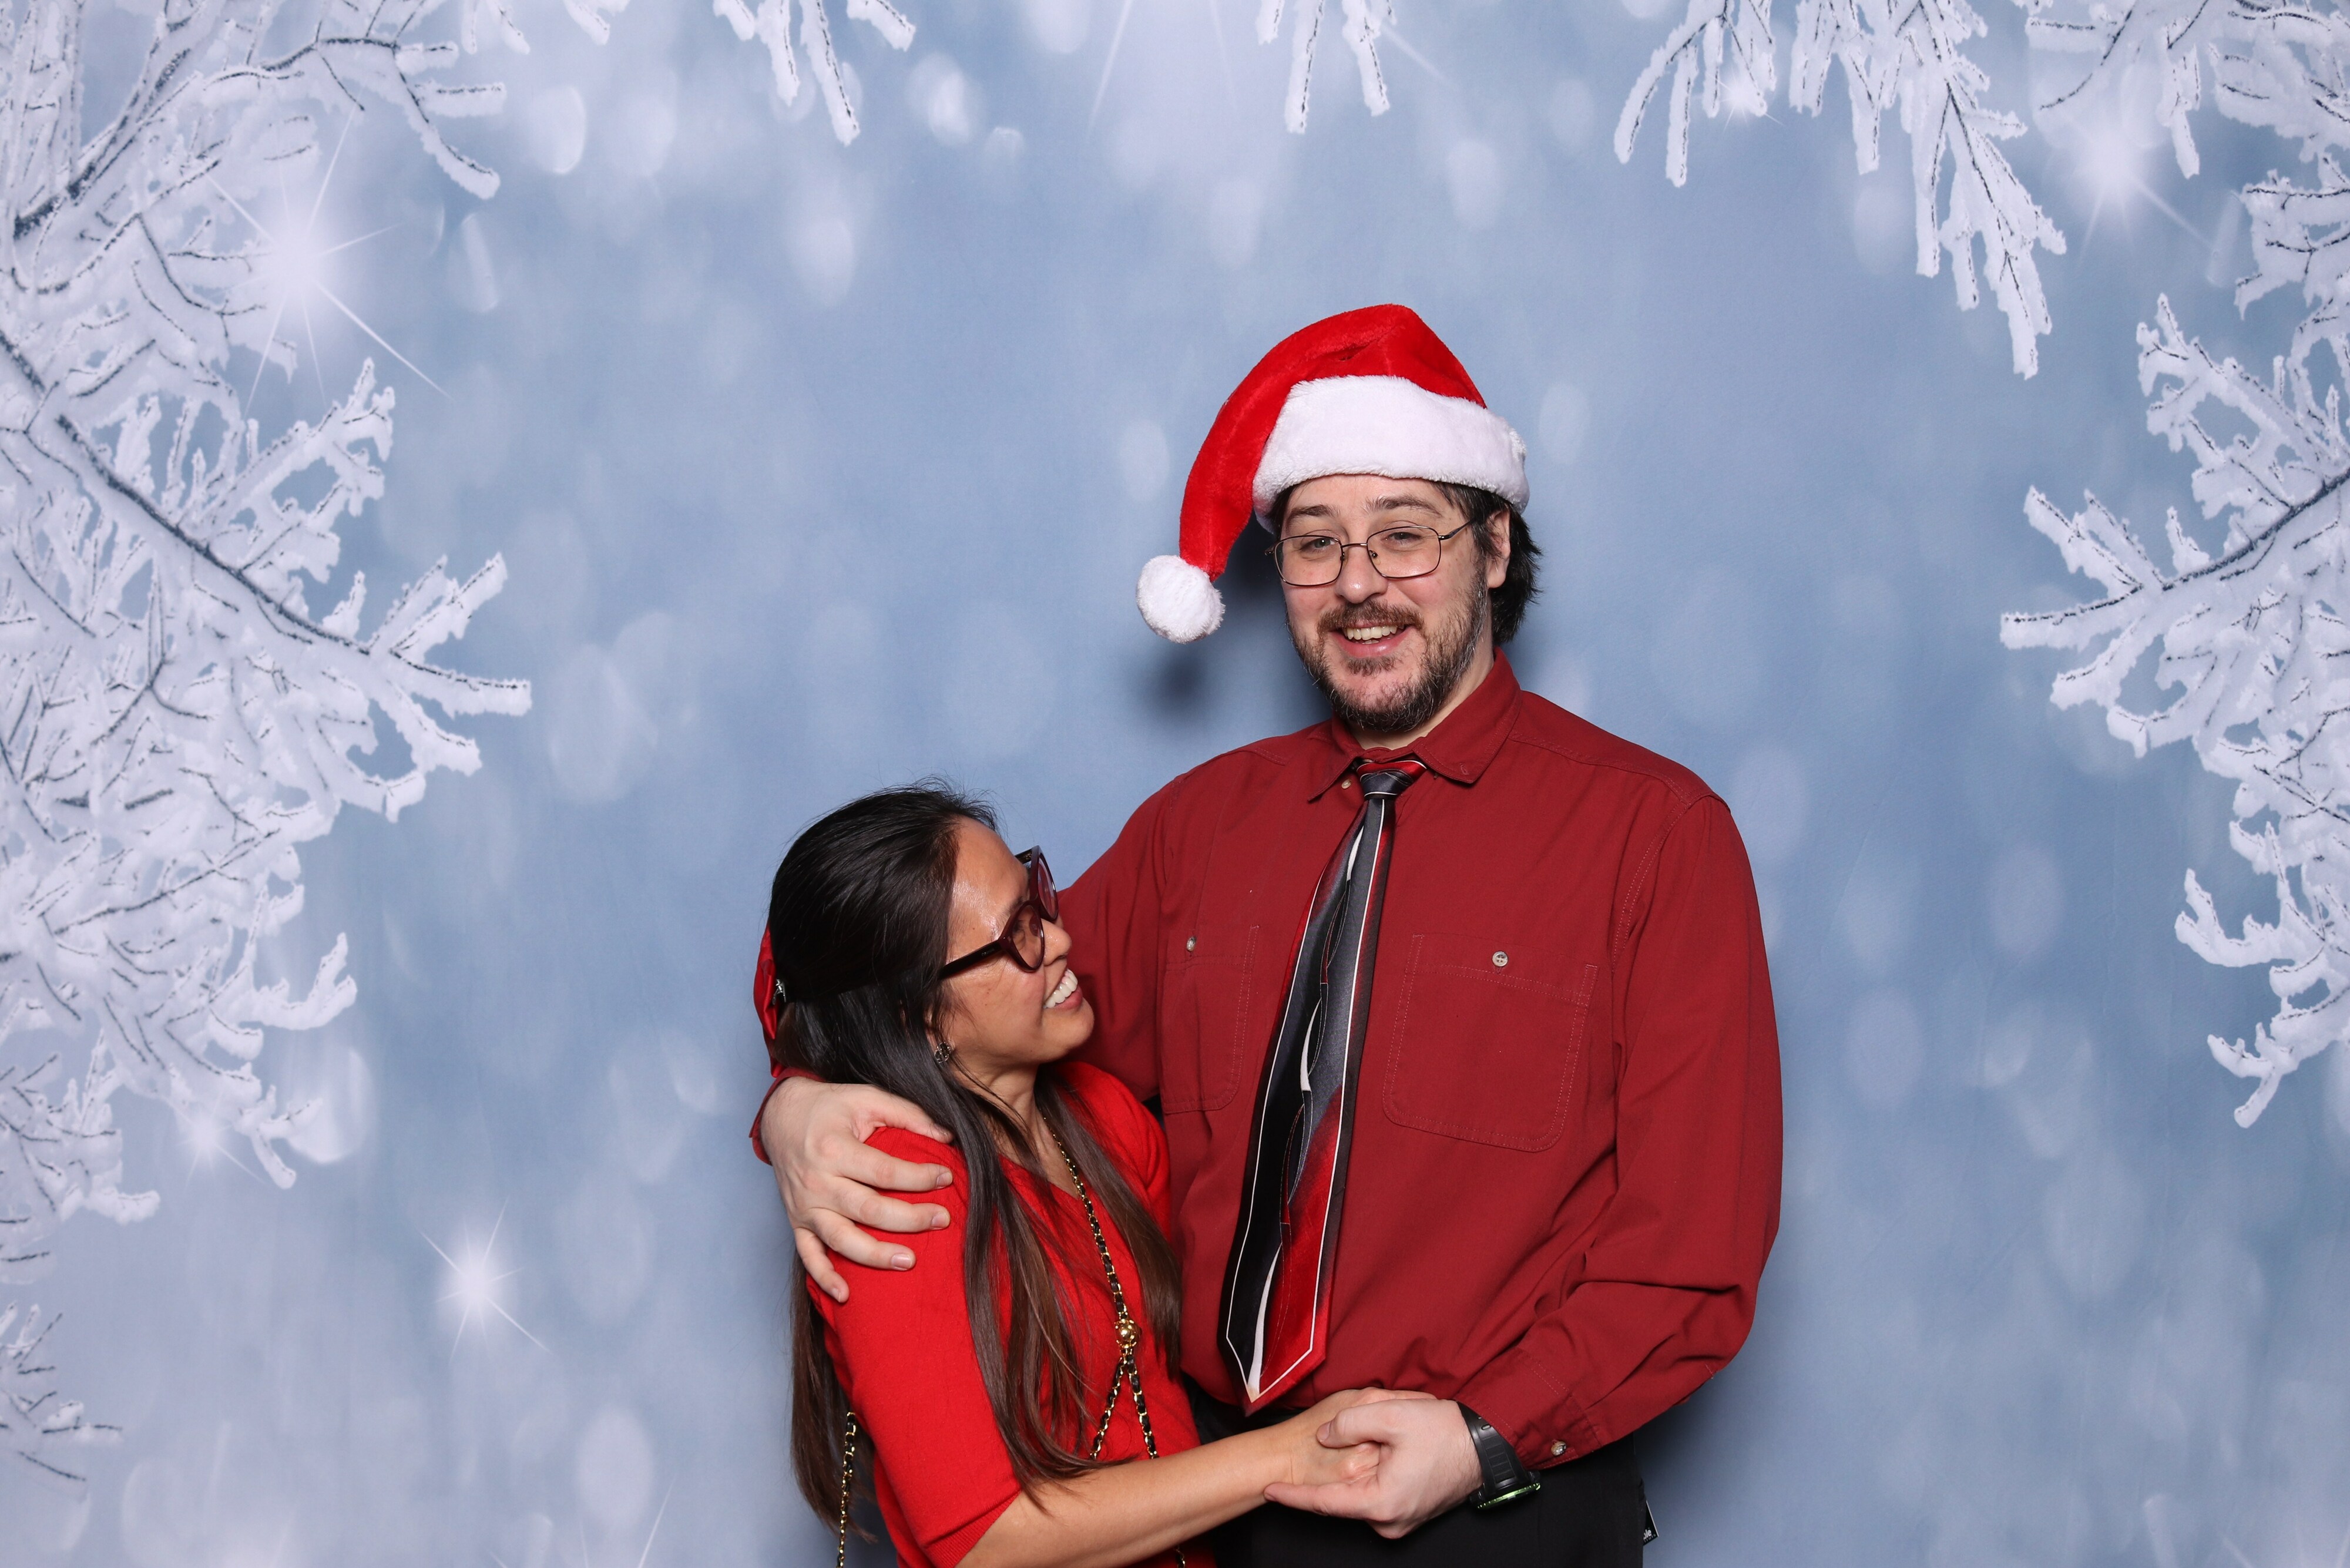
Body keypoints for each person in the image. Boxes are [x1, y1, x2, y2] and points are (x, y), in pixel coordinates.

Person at [756, 306, 1784, 1566]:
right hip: (1223, 1508)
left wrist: (1484, 1436)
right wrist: (798, 1100)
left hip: (1500, 1506)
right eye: (1314, 542)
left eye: (1403, 532)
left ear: (1493, 546)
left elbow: (1691, 1258)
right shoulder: (1194, 835)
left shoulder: (1657, 839)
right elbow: (921, 969)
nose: (1357, 582)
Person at [761, 783, 1408, 1568]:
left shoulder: (1103, 1115)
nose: (1062, 939)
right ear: (919, 1015)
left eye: (1037, 896)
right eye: (1018, 936)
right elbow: (983, 1540)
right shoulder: (892, 1190)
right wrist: (1290, 1457)